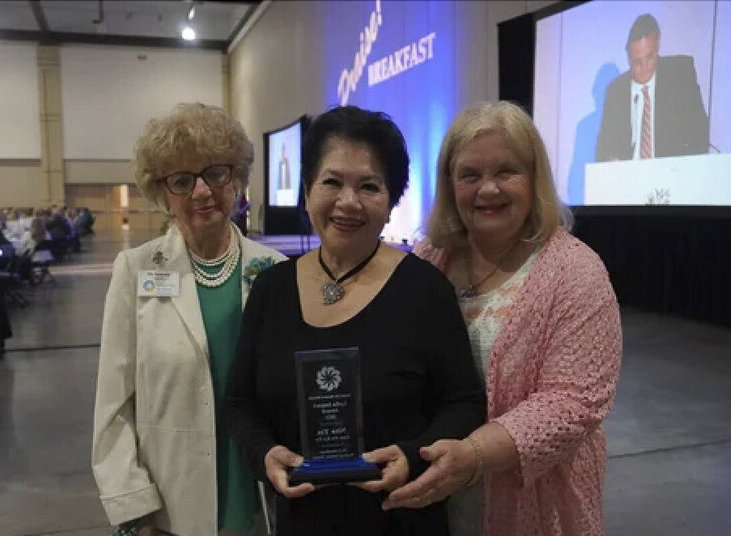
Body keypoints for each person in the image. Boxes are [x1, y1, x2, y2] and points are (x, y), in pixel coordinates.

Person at [225, 106, 486, 536]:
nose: (348, 202)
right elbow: (240, 402)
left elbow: (465, 403)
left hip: (402, 519)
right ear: (307, 190)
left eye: (369, 186)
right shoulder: (272, 289)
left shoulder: (424, 289)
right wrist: (264, 453)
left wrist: (413, 455)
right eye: (331, 182)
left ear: (391, 201)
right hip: (302, 522)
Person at [386, 101, 622, 536]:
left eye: (506, 171)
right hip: (434, 502)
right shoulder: (428, 258)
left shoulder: (576, 272)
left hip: (537, 503)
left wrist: (473, 456)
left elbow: (573, 403)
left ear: (534, 178)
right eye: (470, 175)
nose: (488, 189)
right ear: (450, 184)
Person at [92, 103, 286, 536]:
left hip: (260, 490)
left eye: (215, 173)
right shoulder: (135, 270)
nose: (202, 191)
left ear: (236, 177)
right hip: (170, 501)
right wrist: (134, 507)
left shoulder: (275, 270)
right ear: (163, 193)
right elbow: (113, 404)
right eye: (182, 180)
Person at [595, 13, 708, 161]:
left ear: (657, 47)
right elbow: (603, 151)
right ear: (629, 58)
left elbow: (699, 134)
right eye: (637, 62)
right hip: (629, 173)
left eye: (650, 58)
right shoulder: (616, 91)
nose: (644, 68)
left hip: (671, 171)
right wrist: (610, 160)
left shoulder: (679, 76)